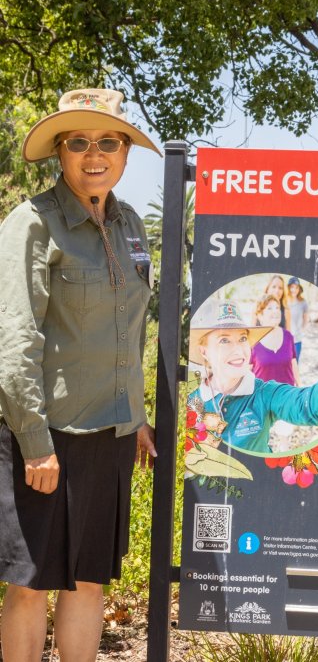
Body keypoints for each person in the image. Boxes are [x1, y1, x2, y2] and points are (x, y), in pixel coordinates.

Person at [0, 88, 160, 661]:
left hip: (111, 437)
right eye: (79, 142)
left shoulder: (132, 225)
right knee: (29, 583)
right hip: (47, 438)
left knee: (89, 580)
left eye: (108, 142)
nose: (95, 154)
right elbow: (15, 341)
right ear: (60, 153)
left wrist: (137, 417)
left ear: (124, 153)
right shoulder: (32, 224)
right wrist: (36, 444)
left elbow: (133, 330)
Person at [188, 299, 318, 455]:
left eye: (243, 338)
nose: (239, 350)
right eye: (224, 340)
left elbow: (308, 407)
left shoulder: (264, 393)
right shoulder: (190, 399)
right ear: (204, 351)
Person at [250, 294, 299, 385]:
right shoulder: (253, 340)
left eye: (277, 307)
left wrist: (300, 388)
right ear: (260, 315)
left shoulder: (288, 336)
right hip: (262, 397)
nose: (276, 311)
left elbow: (293, 363)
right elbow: (246, 373)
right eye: (270, 308)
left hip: (287, 396)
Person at [286, 276, 309, 360]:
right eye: (292, 287)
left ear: (299, 289)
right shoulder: (284, 301)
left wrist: (300, 330)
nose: (294, 290)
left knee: (295, 363)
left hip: (297, 340)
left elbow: (306, 319)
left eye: (296, 287)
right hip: (284, 340)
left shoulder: (303, 302)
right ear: (288, 288)